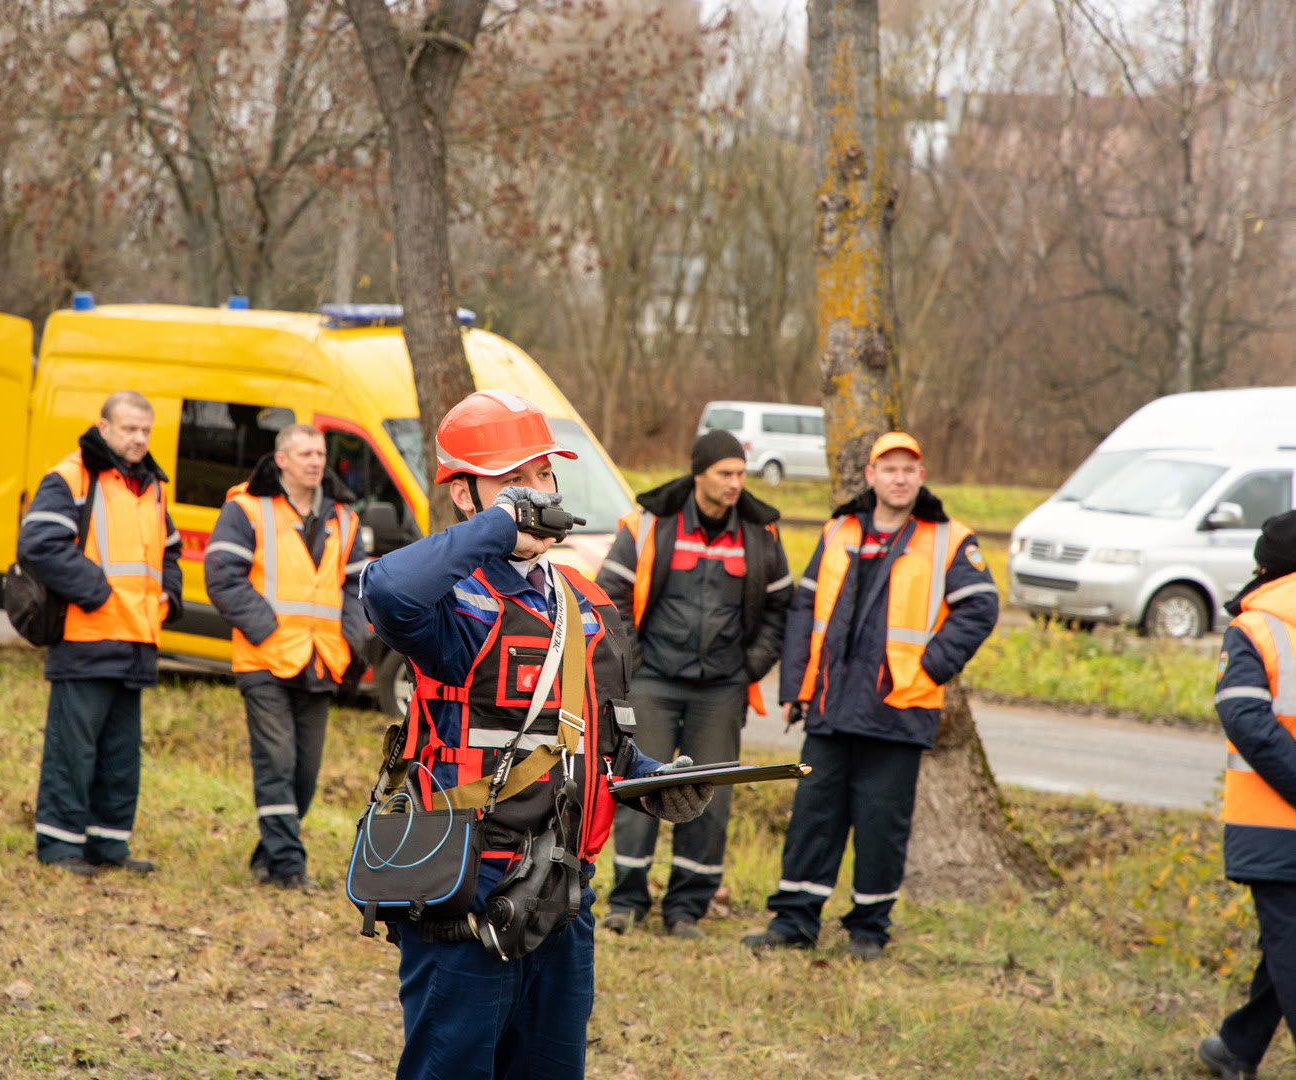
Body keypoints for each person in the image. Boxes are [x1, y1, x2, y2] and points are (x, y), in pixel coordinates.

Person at [359, 389, 713, 1080]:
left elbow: (598, 741)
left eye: (543, 476)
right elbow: (387, 592)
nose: (535, 493)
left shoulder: (587, 601)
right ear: (465, 495)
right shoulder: (453, 601)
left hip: (564, 889)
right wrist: (497, 528)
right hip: (468, 884)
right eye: (512, 480)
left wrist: (650, 780)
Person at [744, 431, 997, 960]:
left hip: (899, 708)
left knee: (882, 826)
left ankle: (868, 930)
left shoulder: (950, 538)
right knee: (814, 817)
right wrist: (795, 687)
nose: (899, 478)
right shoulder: (840, 530)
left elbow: (980, 608)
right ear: (871, 477)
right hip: (830, 707)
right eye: (889, 469)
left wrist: (930, 667)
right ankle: (794, 921)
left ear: (920, 477)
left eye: (909, 469)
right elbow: (803, 611)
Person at [596, 428, 792, 939]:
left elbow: (779, 606)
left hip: (721, 689)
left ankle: (687, 909)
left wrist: (751, 666)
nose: (736, 484)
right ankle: (626, 901)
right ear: (699, 473)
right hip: (652, 683)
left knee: (710, 798)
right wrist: (632, 665)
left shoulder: (760, 533)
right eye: (726, 473)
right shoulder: (650, 523)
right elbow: (609, 593)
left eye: (741, 474)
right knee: (641, 789)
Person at [19, 390, 183, 877]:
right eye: (129, 428)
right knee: (73, 749)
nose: (139, 438)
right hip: (86, 636)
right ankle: (60, 846)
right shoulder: (71, 475)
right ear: (104, 427)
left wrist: (168, 598)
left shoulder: (151, 485)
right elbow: (38, 542)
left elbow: (169, 551)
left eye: (145, 430)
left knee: (119, 753)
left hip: (136, 639)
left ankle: (109, 846)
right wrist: (96, 591)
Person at [207, 424, 367, 891]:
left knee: (305, 775)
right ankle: (287, 866)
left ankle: (269, 853)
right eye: (305, 453)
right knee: (276, 762)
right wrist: (267, 629)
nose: (315, 461)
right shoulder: (245, 509)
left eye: (319, 453)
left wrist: (349, 639)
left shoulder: (344, 518)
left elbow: (358, 587)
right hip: (265, 658)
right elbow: (221, 577)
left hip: (322, 659)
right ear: (281, 460)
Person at [1197, 511, 1296, 1079]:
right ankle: (1238, 1047)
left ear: (1266, 566)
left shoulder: (1256, 628)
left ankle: (1237, 1048)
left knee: (1291, 947)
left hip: (1274, 825)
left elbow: (1246, 719)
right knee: (1288, 942)